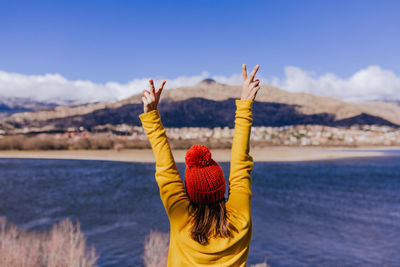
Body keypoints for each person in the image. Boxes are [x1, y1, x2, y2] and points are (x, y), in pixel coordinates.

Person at [139, 64, 261, 266]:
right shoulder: (240, 220)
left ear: (189, 191)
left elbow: (166, 171)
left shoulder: (181, 219)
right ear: (221, 186)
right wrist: (245, 105)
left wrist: (151, 117)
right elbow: (241, 167)